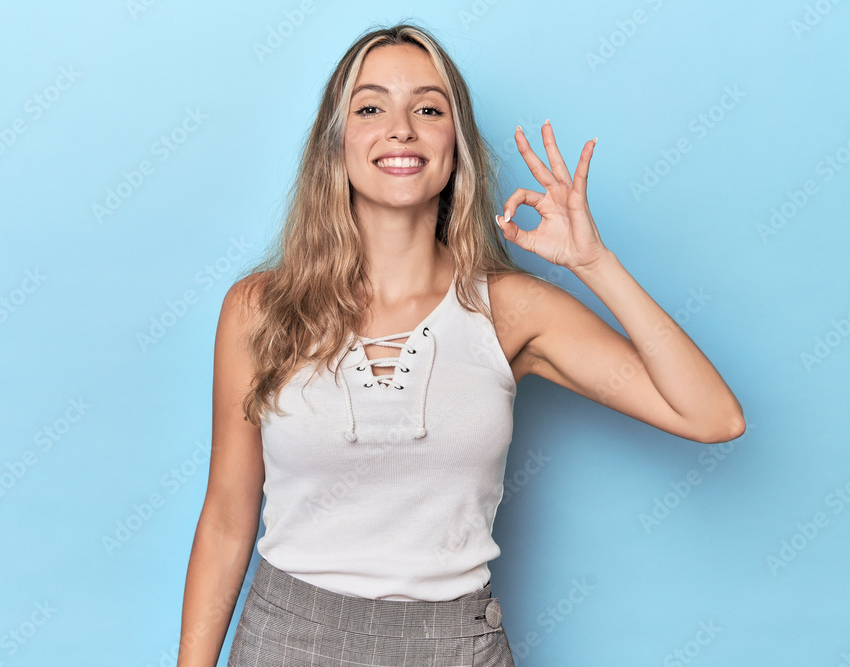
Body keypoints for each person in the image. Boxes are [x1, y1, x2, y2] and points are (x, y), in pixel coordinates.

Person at [177, 20, 745, 667]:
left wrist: (595, 262)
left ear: (455, 146)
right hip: (287, 639)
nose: (401, 128)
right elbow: (226, 515)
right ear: (336, 143)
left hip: (453, 645)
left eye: (428, 107)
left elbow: (712, 415)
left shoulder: (509, 310)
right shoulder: (259, 309)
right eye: (371, 107)